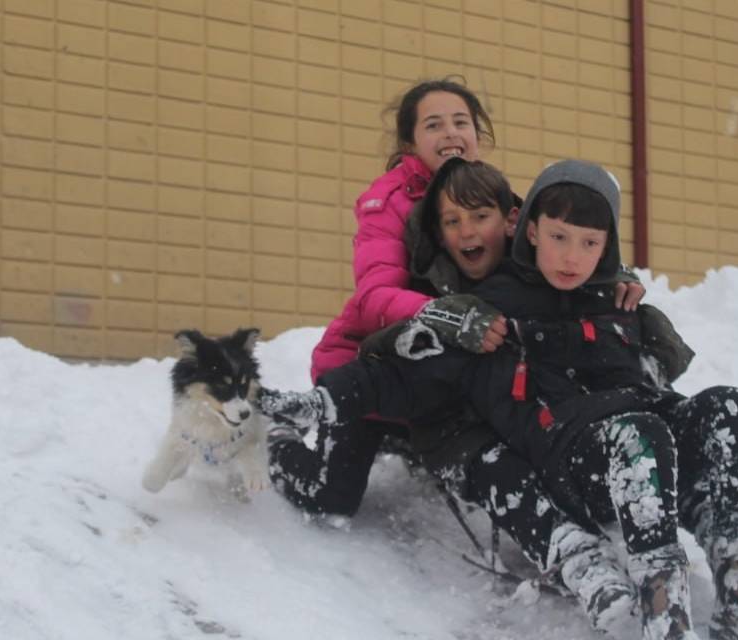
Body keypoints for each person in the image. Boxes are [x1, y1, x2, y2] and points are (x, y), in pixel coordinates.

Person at [261, 158, 738, 640]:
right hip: (571, 453)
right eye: (558, 238)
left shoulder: (612, 300)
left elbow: (655, 376)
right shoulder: (493, 307)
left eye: (589, 244)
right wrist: (324, 400)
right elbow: (410, 373)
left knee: (728, 406)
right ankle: (663, 613)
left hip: (638, 434)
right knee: (640, 434)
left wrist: (648, 329)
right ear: (529, 231)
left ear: (607, 246)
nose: (572, 256)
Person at [266, 77, 647, 632]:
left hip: (456, 365)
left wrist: (616, 275)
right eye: (434, 123)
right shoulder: (388, 202)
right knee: (331, 498)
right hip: (374, 363)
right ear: (408, 142)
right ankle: (278, 440)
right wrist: (442, 315)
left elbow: (561, 239)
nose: (450, 132)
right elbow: (373, 298)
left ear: (479, 134)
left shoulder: (492, 194)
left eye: (461, 121)